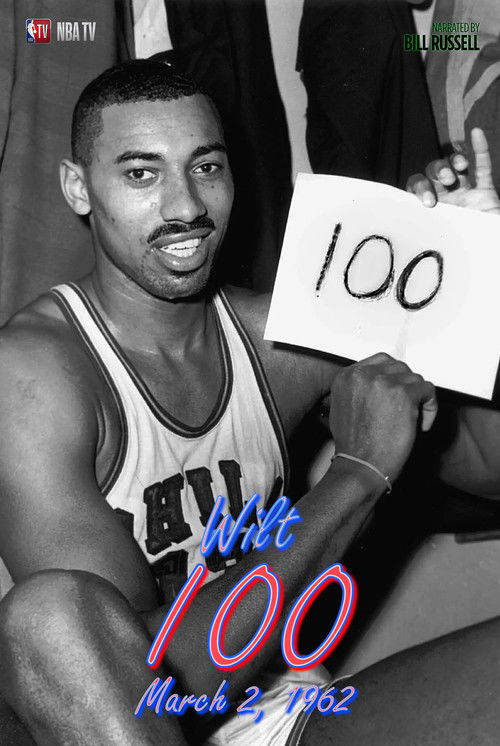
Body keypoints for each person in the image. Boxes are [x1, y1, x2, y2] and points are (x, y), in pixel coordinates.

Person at [0, 58, 498, 746]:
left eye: (205, 167)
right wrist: (357, 475)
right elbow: (155, 682)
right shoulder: (33, 377)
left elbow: (485, 465)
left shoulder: (283, 334)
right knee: (48, 614)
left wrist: (476, 284)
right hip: (130, 723)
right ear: (78, 187)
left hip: (279, 712)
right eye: (142, 174)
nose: (185, 208)